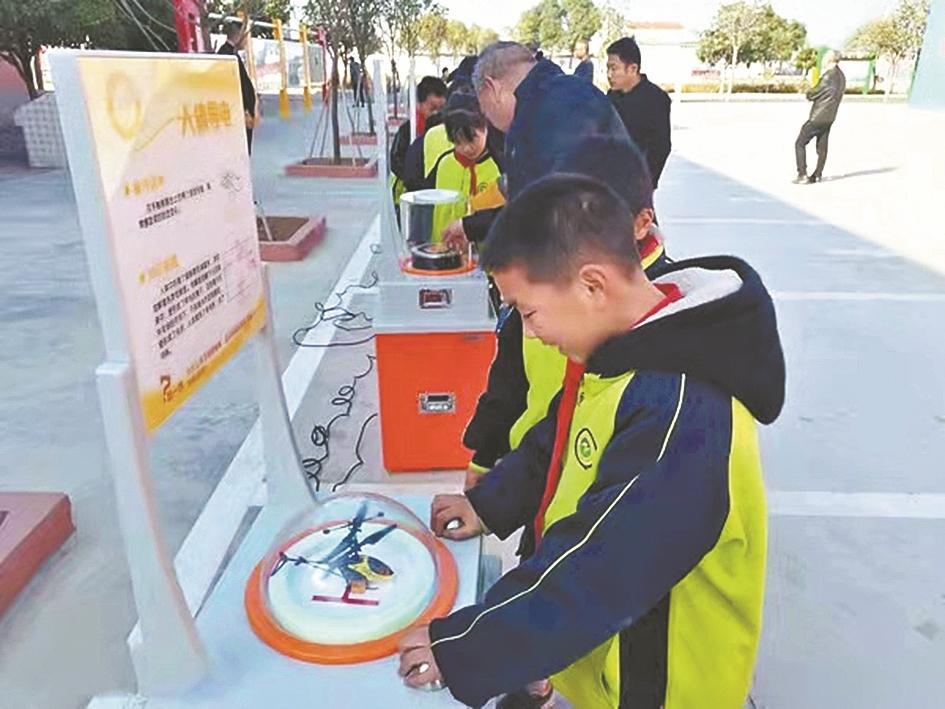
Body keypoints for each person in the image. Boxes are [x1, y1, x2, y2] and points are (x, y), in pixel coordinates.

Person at [397, 173, 786, 709]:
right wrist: (490, 503)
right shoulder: (624, 349)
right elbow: (558, 438)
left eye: (528, 311)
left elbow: (604, 567)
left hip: (656, 685)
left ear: (592, 286)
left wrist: (469, 648)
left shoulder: (681, 411)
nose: (530, 333)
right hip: (605, 662)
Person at [462, 137, 669, 491]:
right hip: (533, 473)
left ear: (641, 222)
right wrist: (485, 458)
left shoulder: (664, 314)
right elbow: (508, 383)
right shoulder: (539, 279)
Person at [441, 40, 631, 248]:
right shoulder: (564, 93)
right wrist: (471, 226)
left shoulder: (540, 115)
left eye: (485, 110)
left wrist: (475, 227)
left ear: (492, 87)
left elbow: (545, 211)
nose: (491, 121)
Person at [422, 94, 502, 241]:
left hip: (484, 249)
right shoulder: (444, 163)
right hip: (443, 245)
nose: (466, 148)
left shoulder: (499, 166)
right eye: (458, 142)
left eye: (471, 140)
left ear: (485, 127)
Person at [606, 37, 672, 192]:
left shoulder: (656, 99)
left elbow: (661, 147)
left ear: (633, 68)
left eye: (614, 69)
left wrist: (645, 183)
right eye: (608, 69)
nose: (609, 75)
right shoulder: (611, 97)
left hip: (637, 185)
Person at [390, 76, 448, 202]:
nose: (437, 113)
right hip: (412, 195)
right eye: (432, 108)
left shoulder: (448, 129)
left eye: (442, 109)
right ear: (419, 105)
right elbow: (396, 161)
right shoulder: (408, 130)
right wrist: (417, 181)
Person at [795, 50, 845, 184]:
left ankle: (802, 174)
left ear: (829, 59)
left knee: (800, 143)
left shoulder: (828, 77)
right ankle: (818, 174)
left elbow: (814, 93)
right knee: (822, 146)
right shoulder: (841, 76)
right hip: (830, 116)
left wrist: (808, 91)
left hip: (818, 116)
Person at [217, 20, 257, 154]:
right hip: (238, 114)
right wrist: (244, 111)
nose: (246, 41)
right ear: (239, 36)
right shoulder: (227, 56)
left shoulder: (232, 54)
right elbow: (234, 86)